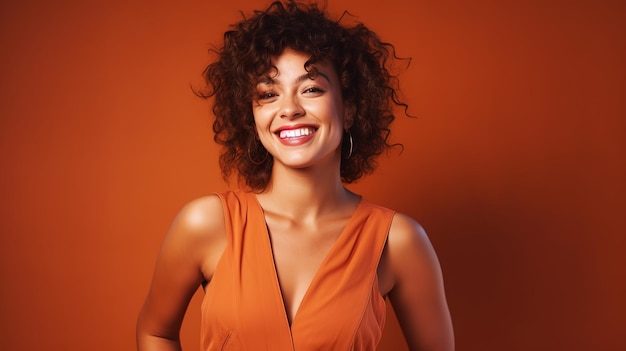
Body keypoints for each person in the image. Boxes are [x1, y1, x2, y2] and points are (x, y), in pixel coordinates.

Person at [136, 1, 454, 350]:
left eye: (311, 88)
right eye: (269, 94)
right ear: (251, 114)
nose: (289, 109)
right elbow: (156, 333)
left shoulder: (398, 241)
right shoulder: (207, 224)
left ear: (349, 108)